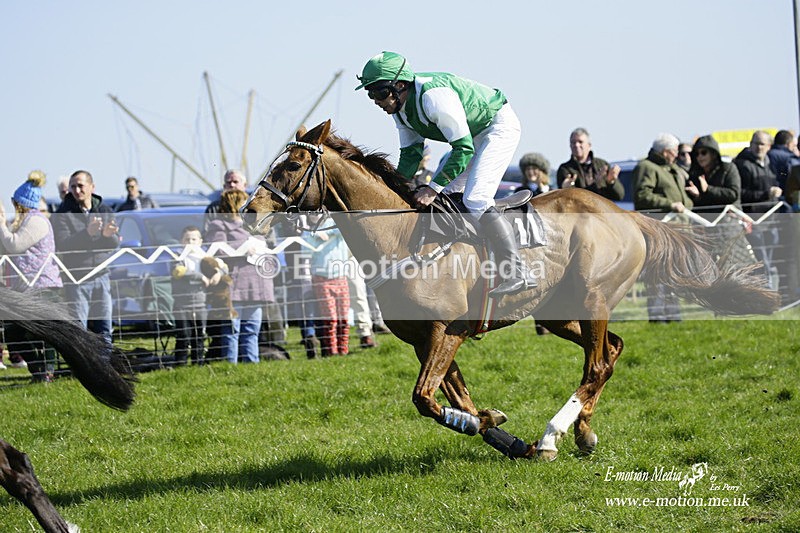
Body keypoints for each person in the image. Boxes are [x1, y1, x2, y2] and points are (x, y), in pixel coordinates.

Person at [355, 51, 525, 297]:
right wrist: (388, 189)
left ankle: (516, 271)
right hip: (474, 136)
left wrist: (431, 188)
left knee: (475, 199)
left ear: (400, 85)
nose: (376, 100)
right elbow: (411, 156)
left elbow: (463, 148)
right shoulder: (401, 110)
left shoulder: (433, 98)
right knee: (448, 199)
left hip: (497, 127)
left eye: (380, 92)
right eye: (371, 94)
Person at [0, 171, 63, 382]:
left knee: (42, 332)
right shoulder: (24, 221)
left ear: (21, 203)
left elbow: (15, 245)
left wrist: (0, 223)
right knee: (14, 333)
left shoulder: (36, 221)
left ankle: (46, 372)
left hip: (42, 285)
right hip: (27, 286)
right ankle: (39, 372)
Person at [204, 189, 274, 363]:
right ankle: (231, 365)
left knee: (252, 329)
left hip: (257, 284)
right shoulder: (219, 225)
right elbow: (217, 249)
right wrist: (242, 249)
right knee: (232, 330)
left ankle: (252, 363)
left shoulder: (255, 225)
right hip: (234, 285)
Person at [52, 170, 119, 346]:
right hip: (77, 278)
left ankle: (105, 367)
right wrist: (87, 233)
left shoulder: (105, 210)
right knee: (79, 328)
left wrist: (107, 236)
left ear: (92, 187)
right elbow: (64, 244)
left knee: (104, 326)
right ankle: (83, 367)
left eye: (80, 185)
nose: (76, 190)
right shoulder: (62, 214)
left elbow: (114, 243)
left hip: (101, 275)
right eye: (73, 186)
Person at [632, 133, 692, 323]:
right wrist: (669, 204)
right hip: (658, 230)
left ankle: (673, 315)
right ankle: (658, 316)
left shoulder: (671, 169)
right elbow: (642, 196)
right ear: (665, 152)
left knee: (672, 273)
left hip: (675, 230)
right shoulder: (647, 167)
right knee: (657, 273)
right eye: (674, 151)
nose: (677, 155)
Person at [304, 223, 350, 356]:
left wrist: (326, 232)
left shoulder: (334, 220)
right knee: (331, 319)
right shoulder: (309, 229)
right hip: (322, 278)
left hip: (341, 277)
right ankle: (332, 352)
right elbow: (305, 251)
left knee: (344, 319)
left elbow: (343, 227)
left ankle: (344, 351)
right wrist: (315, 234)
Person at [170, 226, 209, 365]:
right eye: (187, 239)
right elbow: (179, 271)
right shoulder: (177, 255)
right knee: (183, 335)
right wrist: (200, 276)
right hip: (182, 304)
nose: (190, 242)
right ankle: (180, 364)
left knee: (199, 335)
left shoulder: (204, 256)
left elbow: (218, 267)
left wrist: (218, 274)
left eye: (194, 239)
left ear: (200, 241)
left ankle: (198, 363)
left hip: (201, 302)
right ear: (181, 241)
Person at [556, 128, 624, 202]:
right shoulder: (565, 169)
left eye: (580, 142)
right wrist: (565, 191)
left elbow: (619, 196)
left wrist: (611, 182)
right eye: (573, 142)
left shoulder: (602, 165)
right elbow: (576, 200)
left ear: (589, 145)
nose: (576, 145)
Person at [685, 135, 741, 211]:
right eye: (697, 154)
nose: (700, 157)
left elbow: (733, 194)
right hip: (707, 219)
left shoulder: (727, 168)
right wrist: (697, 196)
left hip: (729, 217)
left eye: (703, 153)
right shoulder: (695, 173)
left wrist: (708, 189)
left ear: (713, 154)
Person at [734, 131, 781, 213]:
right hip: (752, 216)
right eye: (756, 143)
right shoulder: (742, 165)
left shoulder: (771, 165)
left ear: (769, 146)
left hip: (771, 215)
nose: (759, 147)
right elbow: (740, 193)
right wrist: (766, 194)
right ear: (750, 144)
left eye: (762, 144)